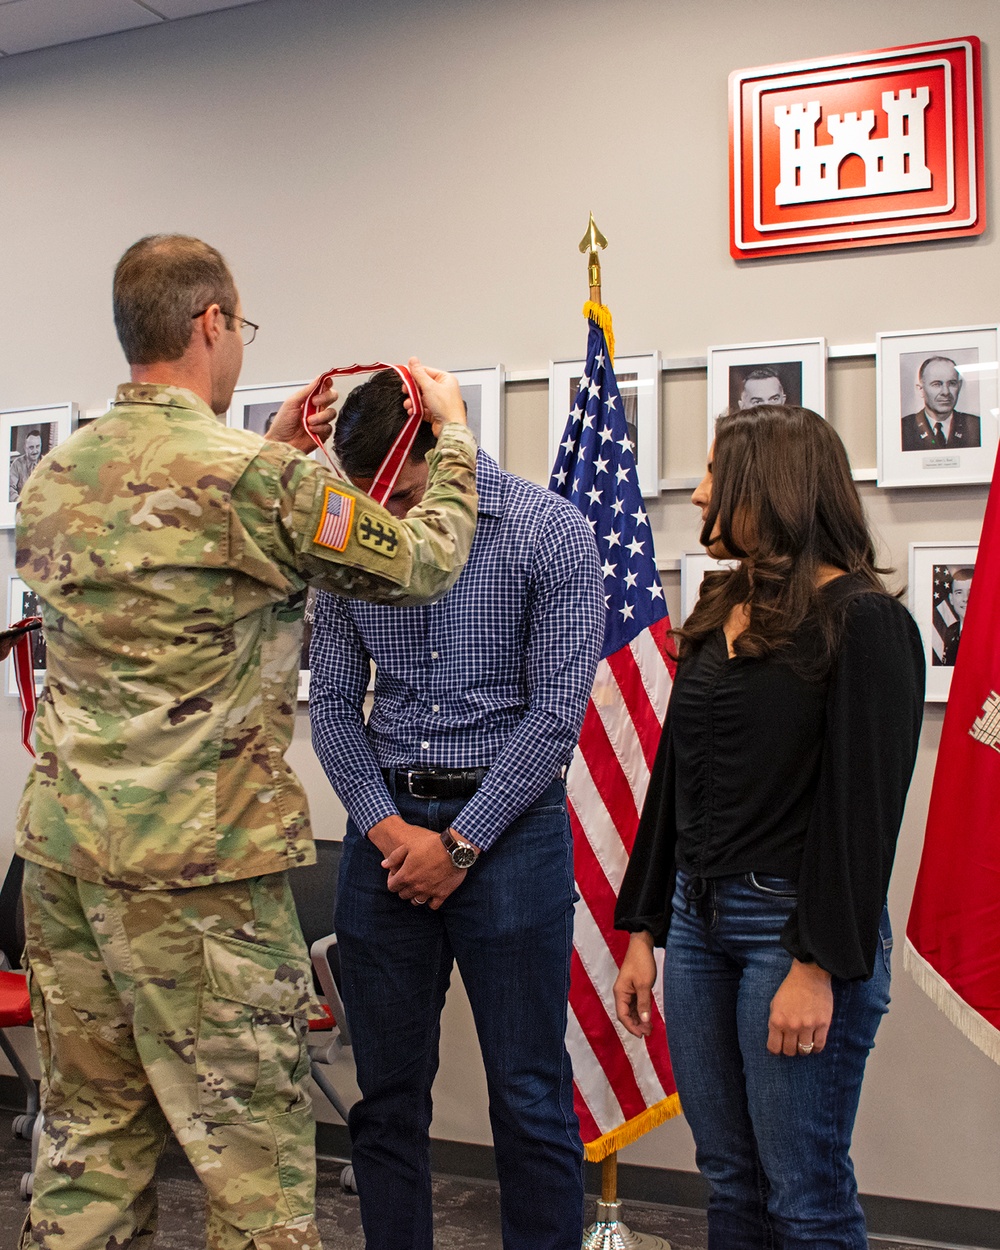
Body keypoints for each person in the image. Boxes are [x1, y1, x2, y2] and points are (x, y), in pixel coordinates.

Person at [14, 234, 479, 1250]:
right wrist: (449, 439)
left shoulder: (53, 477)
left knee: (87, 1147)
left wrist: (272, 444)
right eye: (240, 328)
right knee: (253, 1174)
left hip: (67, 865)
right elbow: (426, 561)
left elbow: (177, 543)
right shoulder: (258, 481)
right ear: (210, 322)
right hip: (203, 878)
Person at [612, 404, 924, 1250]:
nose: (701, 489)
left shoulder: (866, 623)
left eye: (716, 473)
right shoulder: (723, 602)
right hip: (698, 922)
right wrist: (642, 926)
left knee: (805, 1197)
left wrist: (816, 965)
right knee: (730, 1185)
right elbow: (676, 777)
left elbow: (863, 817)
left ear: (768, 486)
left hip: (794, 935)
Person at [308, 369, 604, 1250]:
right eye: (371, 498)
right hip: (386, 836)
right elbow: (331, 706)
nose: (389, 520)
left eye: (400, 495)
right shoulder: (349, 537)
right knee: (388, 1097)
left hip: (511, 840)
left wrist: (462, 844)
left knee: (528, 1094)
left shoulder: (549, 531)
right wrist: (388, 828)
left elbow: (556, 715)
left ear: (446, 454)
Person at [901, 356, 980, 451]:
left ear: (959, 386)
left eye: (952, 383)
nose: (946, 392)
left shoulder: (976, 427)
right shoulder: (903, 429)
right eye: (937, 384)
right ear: (921, 390)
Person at [936, 565, 974, 666]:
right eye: (959, 592)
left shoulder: (991, 634)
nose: (965, 599)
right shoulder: (951, 631)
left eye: (972, 592)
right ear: (951, 599)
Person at [9, 428, 43, 501]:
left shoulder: (47, 463)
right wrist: (19, 501)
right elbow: (9, 487)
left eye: (37, 446)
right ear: (25, 448)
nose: (35, 451)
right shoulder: (17, 464)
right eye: (31, 447)